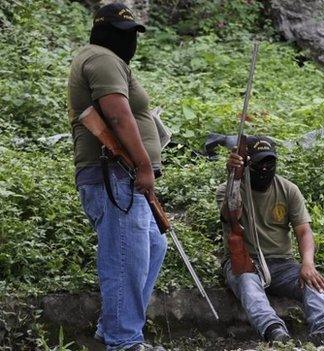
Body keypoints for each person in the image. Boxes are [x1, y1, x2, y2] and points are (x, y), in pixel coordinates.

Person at [67, 3, 167, 350]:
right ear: (103, 30)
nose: (129, 42)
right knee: (126, 256)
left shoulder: (110, 60)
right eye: (122, 33)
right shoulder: (102, 58)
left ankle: (111, 327)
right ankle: (124, 340)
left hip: (125, 177)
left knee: (153, 246)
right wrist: (142, 165)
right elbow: (119, 116)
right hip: (117, 175)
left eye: (132, 34)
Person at [216, 136, 324, 345]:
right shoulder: (228, 189)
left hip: (282, 264)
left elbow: (304, 232)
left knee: (313, 281)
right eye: (259, 164)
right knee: (249, 285)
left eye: (270, 163)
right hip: (245, 260)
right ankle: (274, 332)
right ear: (248, 163)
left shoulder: (288, 189)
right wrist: (235, 178)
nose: (265, 169)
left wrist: (308, 264)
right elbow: (231, 216)